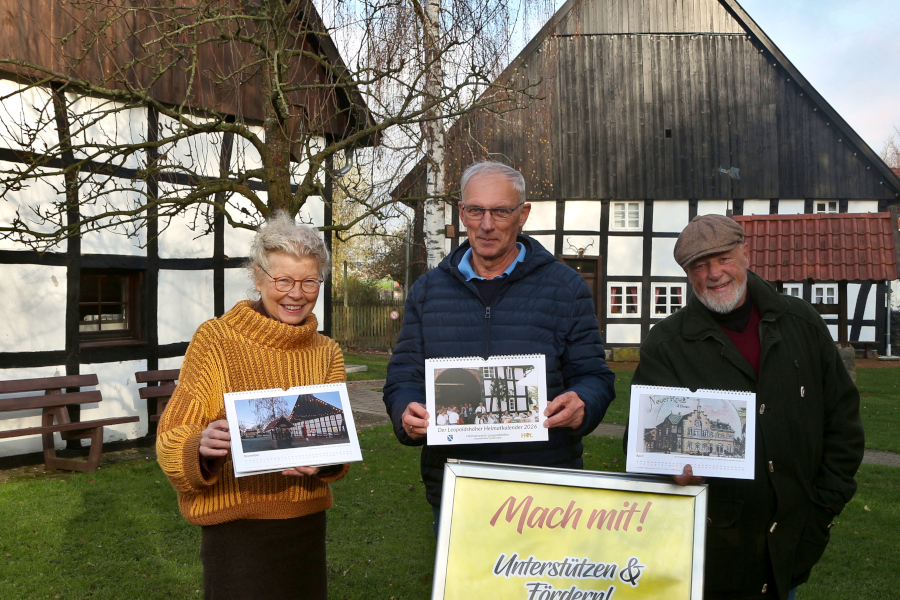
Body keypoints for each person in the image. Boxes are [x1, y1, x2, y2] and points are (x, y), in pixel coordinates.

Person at [631, 214, 864, 600]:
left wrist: (822, 510)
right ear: (687, 274)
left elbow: (843, 425)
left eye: (723, 258)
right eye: (699, 265)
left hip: (793, 535)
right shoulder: (667, 344)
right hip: (712, 549)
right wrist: (668, 471)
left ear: (746, 253)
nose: (714, 273)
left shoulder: (801, 322)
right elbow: (643, 443)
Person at [383, 161, 616, 522]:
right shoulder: (428, 291)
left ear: (522, 215)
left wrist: (584, 402)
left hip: (543, 489)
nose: (486, 225)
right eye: (476, 210)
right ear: (462, 213)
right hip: (456, 487)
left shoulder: (566, 288)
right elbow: (404, 375)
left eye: (500, 211)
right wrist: (405, 410)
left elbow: (594, 376)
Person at [157, 213, 348, 600]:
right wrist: (201, 446)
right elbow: (170, 439)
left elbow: (338, 444)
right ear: (258, 278)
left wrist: (325, 460)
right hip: (236, 533)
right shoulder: (215, 340)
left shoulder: (326, 351)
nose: (297, 293)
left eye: (310, 280)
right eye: (283, 280)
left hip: (305, 526)